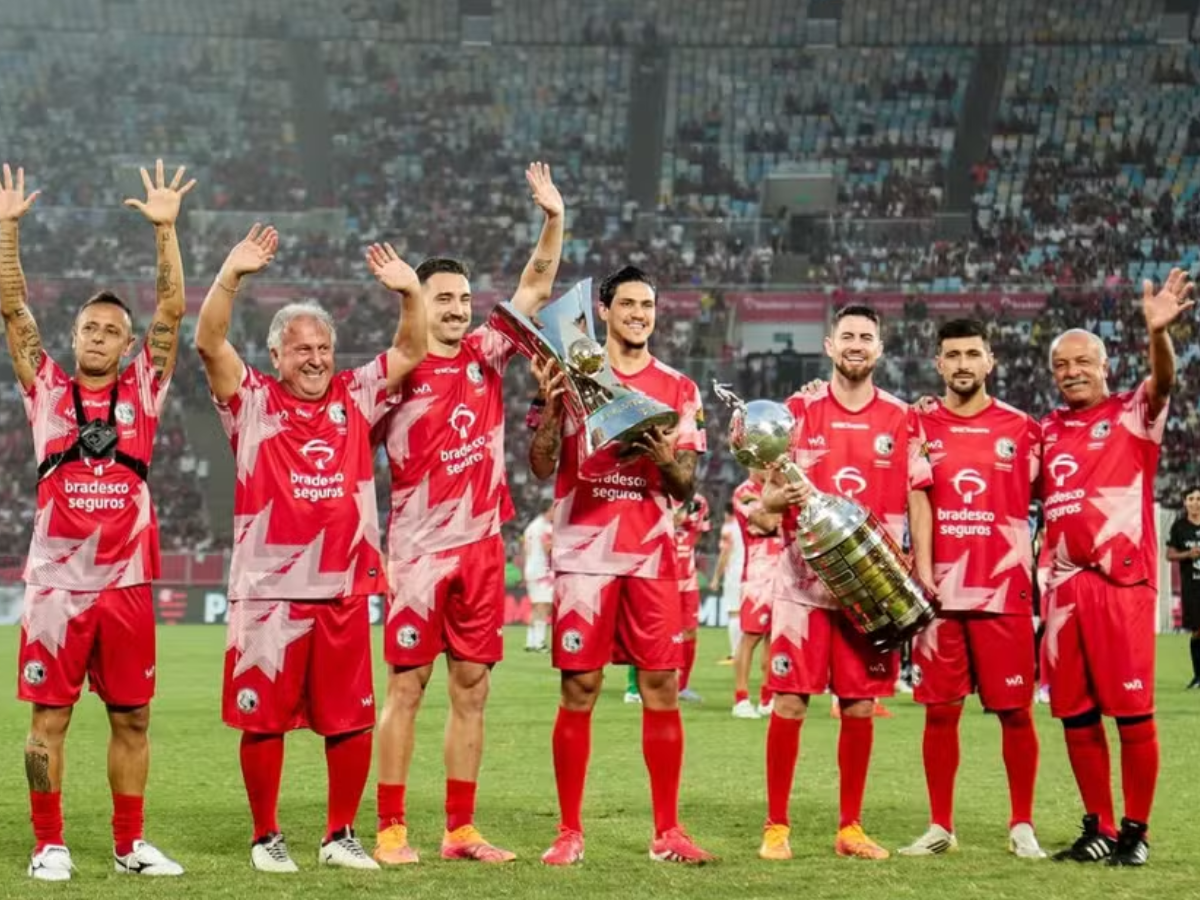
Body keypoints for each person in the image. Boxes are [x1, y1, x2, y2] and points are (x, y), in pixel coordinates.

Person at [195, 228, 427, 872]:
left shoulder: (357, 395)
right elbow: (208, 342)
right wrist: (231, 275)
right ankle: (266, 835)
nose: (316, 358)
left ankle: (338, 834)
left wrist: (410, 290)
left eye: (323, 347)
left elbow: (411, 346)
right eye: (302, 349)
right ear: (275, 355)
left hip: (345, 587)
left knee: (350, 719)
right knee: (263, 720)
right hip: (267, 592)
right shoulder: (250, 401)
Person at [3, 161, 192, 881]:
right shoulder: (47, 387)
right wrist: (7, 231)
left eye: (114, 330)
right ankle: (48, 842)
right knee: (47, 722)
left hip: (127, 586)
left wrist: (166, 230)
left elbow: (171, 311)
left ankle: (128, 844)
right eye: (90, 326)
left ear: (125, 342)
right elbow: (14, 311)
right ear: (76, 333)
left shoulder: (144, 388)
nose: (100, 337)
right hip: (56, 587)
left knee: (132, 719)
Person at [373, 162, 563, 865]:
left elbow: (536, 285)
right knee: (406, 686)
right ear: (416, 303)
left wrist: (552, 216)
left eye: (461, 298)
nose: (456, 308)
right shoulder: (394, 370)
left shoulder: (488, 353)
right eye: (441, 298)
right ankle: (392, 827)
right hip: (418, 555)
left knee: (472, 689)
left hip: (483, 547)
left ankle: (459, 829)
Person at [529, 265, 712, 865]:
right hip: (584, 554)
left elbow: (685, 486)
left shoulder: (679, 389)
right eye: (628, 304)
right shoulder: (569, 373)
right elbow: (538, 464)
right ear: (602, 311)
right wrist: (554, 414)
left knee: (661, 685)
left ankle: (667, 832)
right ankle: (569, 831)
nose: (639, 313)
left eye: (648, 305)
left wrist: (666, 457)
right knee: (579, 686)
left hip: (653, 557)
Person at [759, 304, 933, 861]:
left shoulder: (905, 418)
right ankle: (776, 827)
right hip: (800, 586)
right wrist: (773, 499)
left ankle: (850, 827)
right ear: (830, 346)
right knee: (789, 703)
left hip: (872, 590)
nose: (857, 344)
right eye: (847, 336)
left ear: (879, 350)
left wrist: (922, 571)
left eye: (867, 337)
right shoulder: (796, 410)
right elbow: (763, 499)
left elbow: (919, 497)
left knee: (859, 706)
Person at [1041, 269, 1193, 866]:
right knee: (1076, 717)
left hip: (1121, 586)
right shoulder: (1046, 431)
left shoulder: (1133, 413)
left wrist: (1158, 333)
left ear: (1104, 365)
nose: (1072, 371)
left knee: (1132, 714)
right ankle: (1098, 826)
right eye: (1061, 365)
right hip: (1063, 592)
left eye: (1083, 361)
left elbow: (1164, 380)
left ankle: (1136, 831)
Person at [898, 319, 1045, 859]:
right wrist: (925, 569)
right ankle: (940, 825)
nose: (962, 363)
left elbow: (1058, 495)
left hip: (1004, 592)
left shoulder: (1023, 428)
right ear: (938, 364)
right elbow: (916, 498)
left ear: (991, 361)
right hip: (939, 595)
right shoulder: (917, 424)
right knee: (940, 712)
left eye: (972, 353)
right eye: (952, 355)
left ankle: (1022, 824)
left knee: (1016, 711)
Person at [730, 470, 780, 719]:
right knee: (751, 637)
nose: (770, 466)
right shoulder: (744, 492)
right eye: (765, 462)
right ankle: (740, 698)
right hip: (758, 575)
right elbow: (769, 523)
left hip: (782, 571)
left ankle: (767, 696)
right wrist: (778, 515)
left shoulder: (777, 490)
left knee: (774, 636)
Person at [675, 493, 711, 701]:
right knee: (657, 633)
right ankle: (640, 687)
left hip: (687, 580)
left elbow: (697, 534)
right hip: (661, 577)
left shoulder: (698, 501)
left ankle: (682, 686)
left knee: (689, 632)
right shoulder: (658, 494)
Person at [1165, 485, 1200, 688]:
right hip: (1192, 588)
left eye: (1198, 499)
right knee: (1197, 631)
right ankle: (1198, 676)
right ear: (1185, 502)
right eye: (1192, 499)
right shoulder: (1180, 527)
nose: (1196, 503)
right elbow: (1169, 555)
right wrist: (1188, 554)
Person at [711, 501, 746, 664]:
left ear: (726, 513)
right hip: (749, 571)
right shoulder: (746, 525)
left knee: (734, 612)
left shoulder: (728, 528)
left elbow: (725, 554)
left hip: (734, 573)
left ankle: (735, 654)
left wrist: (716, 577)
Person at [523, 500, 555, 652]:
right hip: (542, 571)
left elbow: (526, 549)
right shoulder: (545, 527)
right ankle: (540, 643)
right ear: (547, 511)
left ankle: (530, 641)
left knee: (536, 606)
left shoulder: (531, 526)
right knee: (544, 606)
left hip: (531, 569)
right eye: (553, 509)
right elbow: (547, 548)